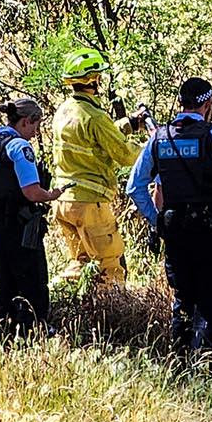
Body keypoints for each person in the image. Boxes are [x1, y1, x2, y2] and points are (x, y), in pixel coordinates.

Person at [127, 77, 212, 357]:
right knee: (209, 302)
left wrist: (157, 219)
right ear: (208, 105)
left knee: (183, 301)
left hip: (174, 231)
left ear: (181, 103)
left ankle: (179, 365)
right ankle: (202, 368)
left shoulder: (159, 137)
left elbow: (134, 186)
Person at [0, 98, 64, 332]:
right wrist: (52, 194)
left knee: (3, 281)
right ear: (27, 121)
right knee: (33, 280)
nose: (35, 132)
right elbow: (32, 192)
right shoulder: (19, 147)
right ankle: (33, 330)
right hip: (19, 227)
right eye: (36, 126)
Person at [48, 48, 148, 285]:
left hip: (64, 202)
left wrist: (130, 124)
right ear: (93, 80)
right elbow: (124, 153)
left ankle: (55, 303)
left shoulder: (65, 110)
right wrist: (154, 149)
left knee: (80, 265)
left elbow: (96, 137)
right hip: (89, 204)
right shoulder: (94, 116)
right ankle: (115, 318)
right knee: (109, 267)